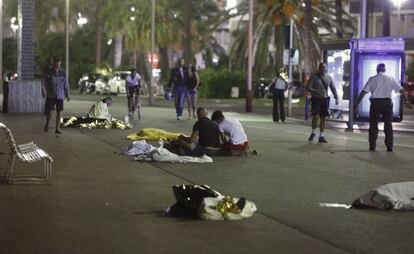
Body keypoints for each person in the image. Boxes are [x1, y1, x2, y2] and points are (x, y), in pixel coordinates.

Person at [354, 63, 412, 152]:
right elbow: (401, 90)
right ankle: (389, 147)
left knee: (373, 125)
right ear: (385, 70)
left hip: (375, 103)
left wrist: (356, 104)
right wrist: (406, 101)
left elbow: (363, 92)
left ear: (377, 70)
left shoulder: (372, 79)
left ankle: (372, 146)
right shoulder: (390, 78)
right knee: (388, 125)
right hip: (387, 103)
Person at [306, 63, 339, 143]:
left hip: (324, 99)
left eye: (324, 67)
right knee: (316, 116)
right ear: (319, 68)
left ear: (326, 68)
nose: (323, 69)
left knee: (323, 117)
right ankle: (313, 132)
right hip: (316, 99)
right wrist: (315, 91)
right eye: (321, 67)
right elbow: (308, 87)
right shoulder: (314, 77)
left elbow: (333, 88)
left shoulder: (329, 77)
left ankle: (321, 136)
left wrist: (336, 97)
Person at [43, 57, 70, 134]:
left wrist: (67, 94)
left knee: (59, 112)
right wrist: (44, 91)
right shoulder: (49, 72)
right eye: (56, 62)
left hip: (60, 95)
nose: (57, 64)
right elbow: (44, 82)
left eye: (59, 62)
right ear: (53, 63)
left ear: (60, 63)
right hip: (51, 95)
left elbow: (66, 84)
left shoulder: (63, 73)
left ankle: (57, 128)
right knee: (50, 112)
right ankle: (47, 123)